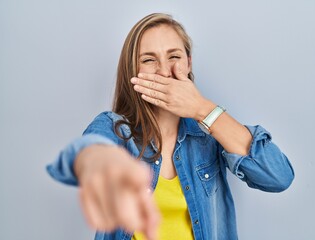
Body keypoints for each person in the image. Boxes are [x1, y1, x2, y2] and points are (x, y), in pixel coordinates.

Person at [47, 13, 294, 240]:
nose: (165, 71)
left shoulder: (210, 136)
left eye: (174, 56)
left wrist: (201, 109)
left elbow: (278, 177)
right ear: (132, 70)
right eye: (149, 60)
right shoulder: (114, 128)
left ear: (188, 63)